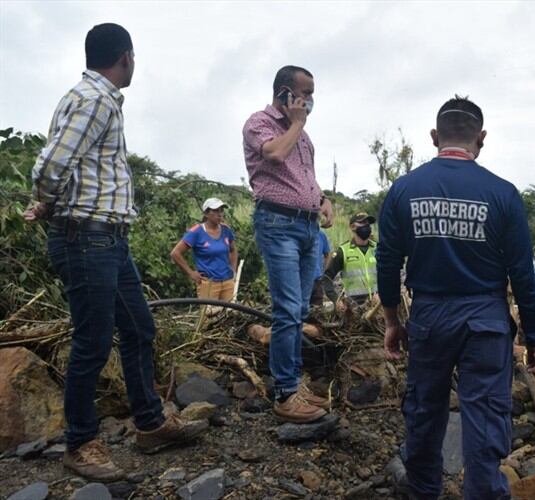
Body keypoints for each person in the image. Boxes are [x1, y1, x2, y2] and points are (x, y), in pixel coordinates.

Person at [24, 23, 207, 481]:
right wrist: (49, 199)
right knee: (93, 341)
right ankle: (81, 442)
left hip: (106, 239)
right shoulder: (95, 101)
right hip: (87, 238)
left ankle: (149, 424)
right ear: (126, 57)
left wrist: (49, 202)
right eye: (133, 58)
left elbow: (68, 164)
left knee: (140, 328)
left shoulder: (84, 98)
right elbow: (49, 165)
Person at [377, 96, 535, 500]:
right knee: (486, 416)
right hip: (486, 318)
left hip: (429, 317)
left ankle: (423, 491)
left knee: (424, 409)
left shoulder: (404, 190)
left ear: (435, 136)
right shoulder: (502, 194)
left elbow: (387, 262)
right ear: (481, 138)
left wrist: (391, 321)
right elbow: (524, 273)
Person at [242, 65, 335, 423]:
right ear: (284, 93)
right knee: (286, 309)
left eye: (312, 93)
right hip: (278, 223)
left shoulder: (304, 137)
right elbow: (275, 155)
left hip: (307, 228)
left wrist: (322, 199)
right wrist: (297, 123)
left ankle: (294, 385)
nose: (310, 100)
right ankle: (285, 393)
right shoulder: (259, 123)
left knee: (299, 311)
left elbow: (304, 177)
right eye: (304, 92)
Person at [170, 198, 238, 301]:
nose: (219, 214)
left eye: (221, 211)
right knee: (209, 314)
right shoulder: (196, 232)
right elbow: (175, 253)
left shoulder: (226, 230)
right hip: (209, 283)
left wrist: (233, 270)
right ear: (206, 214)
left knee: (229, 314)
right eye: (215, 211)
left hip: (228, 282)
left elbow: (233, 250)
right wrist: (191, 273)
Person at [323, 212, 378, 307]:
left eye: (368, 224)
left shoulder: (378, 249)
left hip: (376, 305)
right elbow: (326, 278)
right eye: (363, 223)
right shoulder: (343, 251)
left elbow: (389, 274)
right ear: (352, 227)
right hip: (353, 307)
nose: (367, 226)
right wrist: (336, 300)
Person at [310, 229, 332, 306]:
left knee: (317, 311)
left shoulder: (321, 234)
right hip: (299, 280)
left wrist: (324, 271)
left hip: (316, 280)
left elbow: (328, 254)